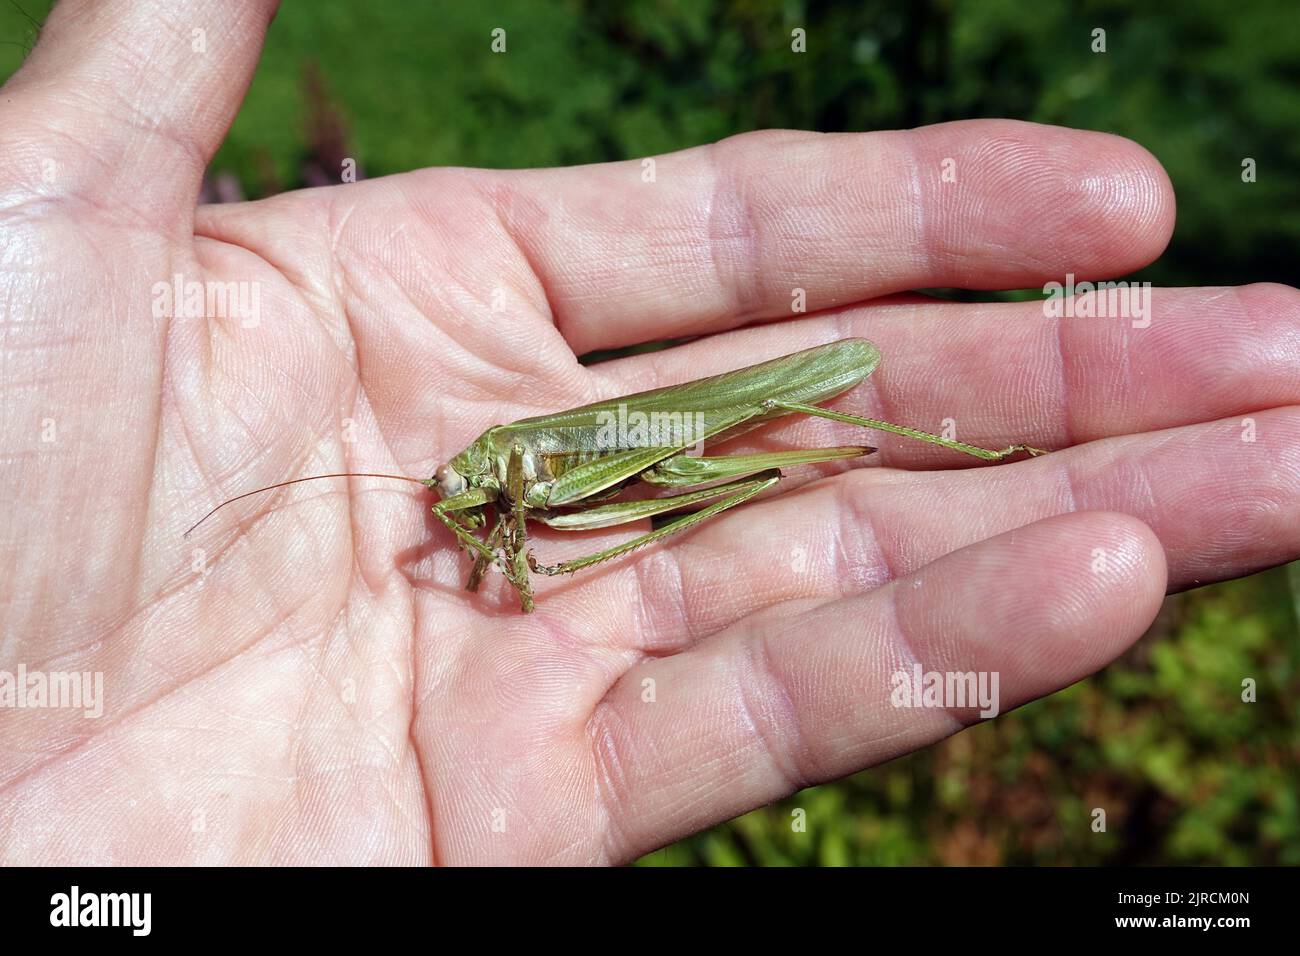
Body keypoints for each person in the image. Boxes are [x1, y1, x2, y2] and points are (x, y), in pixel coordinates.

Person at [1, 0, 1296, 865]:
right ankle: (945, 450)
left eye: (465, 490)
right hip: (644, 468)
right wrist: (510, 534)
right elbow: (502, 539)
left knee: (793, 442)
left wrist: (523, 532)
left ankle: (966, 448)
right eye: (460, 494)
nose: (454, 504)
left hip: (658, 440)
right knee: (788, 466)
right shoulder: (480, 492)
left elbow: (523, 527)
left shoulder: (508, 484)